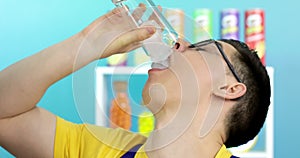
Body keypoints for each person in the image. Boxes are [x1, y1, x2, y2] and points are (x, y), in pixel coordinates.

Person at [0, 5, 271, 158]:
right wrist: (85, 44)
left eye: (200, 48)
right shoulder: (102, 150)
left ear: (229, 88)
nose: (179, 44)